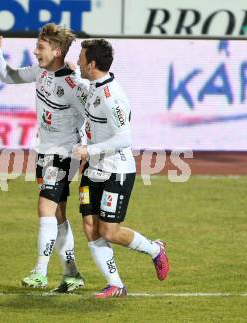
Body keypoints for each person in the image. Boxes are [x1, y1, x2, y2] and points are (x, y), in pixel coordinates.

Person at [0, 23, 87, 293]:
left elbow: (92, 114)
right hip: (46, 151)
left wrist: (89, 149)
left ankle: (40, 272)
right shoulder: (41, 72)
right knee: (58, 214)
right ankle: (71, 274)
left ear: (56, 50)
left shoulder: (73, 83)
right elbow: (8, 76)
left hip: (64, 154)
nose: (35, 51)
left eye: (40, 47)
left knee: (45, 207)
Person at [72, 39, 170, 299]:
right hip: (93, 170)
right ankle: (115, 284)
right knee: (90, 226)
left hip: (116, 170)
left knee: (109, 231)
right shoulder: (94, 86)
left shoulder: (112, 96)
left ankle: (154, 250)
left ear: (92, 64)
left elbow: (124, 138)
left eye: (81, 58)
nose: (79, 61)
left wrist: (88, 150)